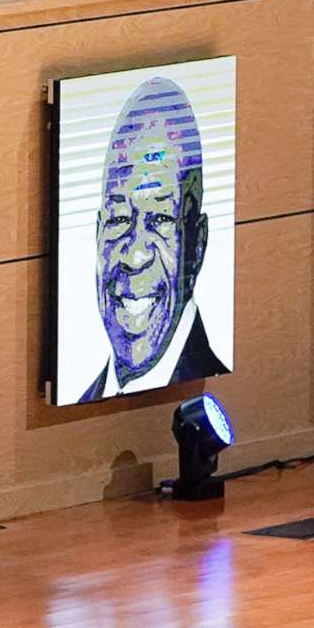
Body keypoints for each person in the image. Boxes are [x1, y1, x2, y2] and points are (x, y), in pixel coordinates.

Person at [76, 72, 225, 402]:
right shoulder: (85, 396)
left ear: (197, 245)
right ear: (97, 234)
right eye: (119, 219)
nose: (134, 255)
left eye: (159, 219)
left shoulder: (216, 383)